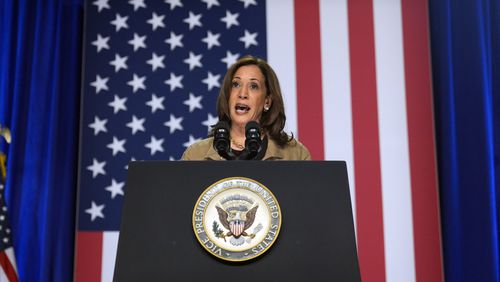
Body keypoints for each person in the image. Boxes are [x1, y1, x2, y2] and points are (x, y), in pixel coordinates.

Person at [182, 56, 310, 160]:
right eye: (236, 84)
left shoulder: (295, 155)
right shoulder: (195, 155)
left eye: (253, 86)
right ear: (228, 95)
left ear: (267, 101)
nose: (242, 94)